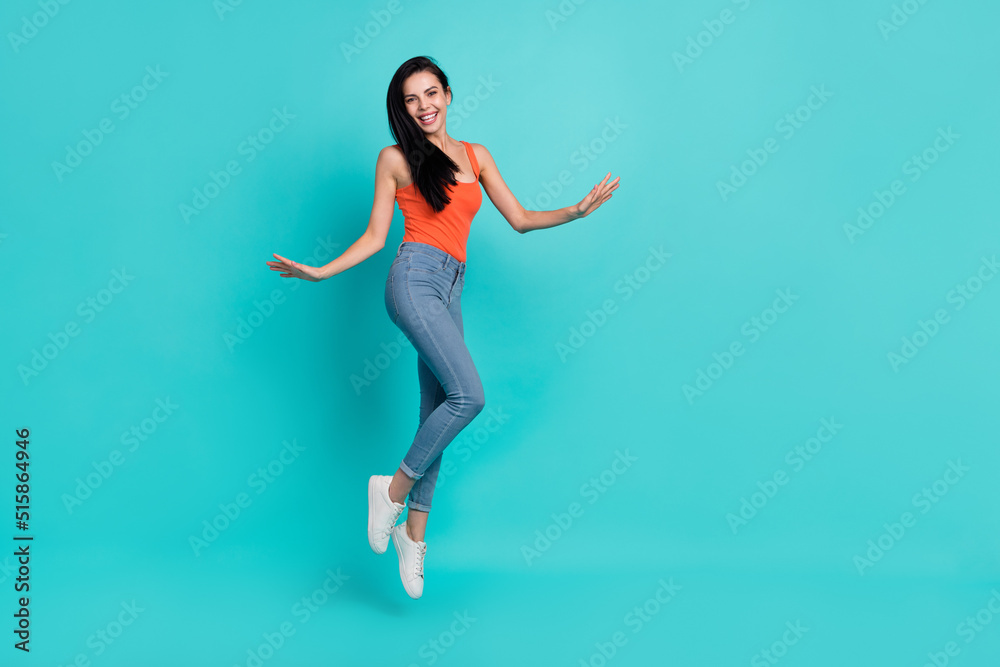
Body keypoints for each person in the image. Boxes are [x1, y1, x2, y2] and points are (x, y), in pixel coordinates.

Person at [266, 55, 618, 599]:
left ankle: (414, 535)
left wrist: (574, 211)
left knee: (439, 410)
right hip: (414, 276)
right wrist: (320, 270)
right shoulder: (395, 158)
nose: (423, 106)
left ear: (448, 94)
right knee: (469, 396)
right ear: (402, 109)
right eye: (411, 99)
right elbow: (374, 236)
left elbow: (520, 220)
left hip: (453, 287)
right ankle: (390, 490)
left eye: (431, 93)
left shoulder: (476, 155)